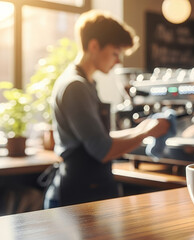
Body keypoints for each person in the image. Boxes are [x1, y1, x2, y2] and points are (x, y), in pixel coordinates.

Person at [43, 10, 170, 208]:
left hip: (86, 188)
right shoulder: (75, 86)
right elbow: (103, 149)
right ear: (94, 45)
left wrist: (144, 127)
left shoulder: (87, 83)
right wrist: (147, 131)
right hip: (76, 194)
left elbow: (102, 138)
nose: (118, 61)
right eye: (115, 53)